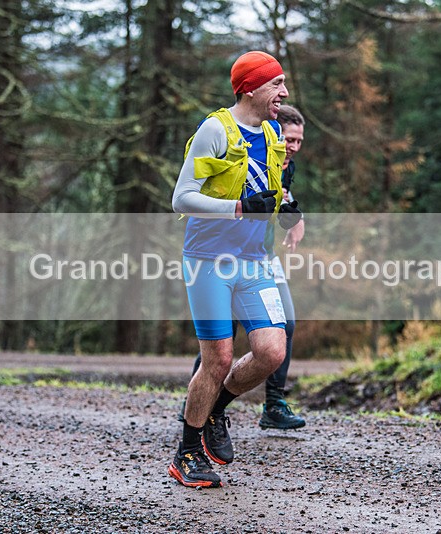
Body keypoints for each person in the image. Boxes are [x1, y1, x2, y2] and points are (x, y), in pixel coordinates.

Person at [168, 51, 303, 488]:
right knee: (218, 359)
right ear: (250, 88)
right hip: (209, 261)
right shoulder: (215, 130)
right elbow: (182, 198)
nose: (283, 93)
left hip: (255, 262)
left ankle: (215, 412)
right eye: (276, 84)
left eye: (283, 84)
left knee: (271, 351)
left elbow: (267, 189)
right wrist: (239, 208)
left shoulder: (270, 132)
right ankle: (187, 451)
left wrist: (286, 209)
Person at [184, 104, 307, 430]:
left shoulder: (286, 166)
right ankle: (199, 404)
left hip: (262, 258)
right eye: (289, 139)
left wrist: (296, 217)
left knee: (284, 326)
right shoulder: (249, 151)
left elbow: (283, 196)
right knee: (220, 344)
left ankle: (274, 403)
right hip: (220, 257)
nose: (292, 147)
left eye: (298, 141)